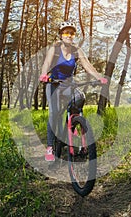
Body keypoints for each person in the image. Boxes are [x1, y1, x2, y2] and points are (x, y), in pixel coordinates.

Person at [39, 21, 108, 162]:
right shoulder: (55, 48)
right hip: (54, 84)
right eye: (66, 32)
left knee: (80, 97)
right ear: (61, 35)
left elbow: (87, 65)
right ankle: (50, 146)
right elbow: (46, 63)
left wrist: (99, 77)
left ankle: (72, 124)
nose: (69, 35)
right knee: (53, 113)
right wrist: (44, 74)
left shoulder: (76, 50)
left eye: (71, 33)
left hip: (69, 84)